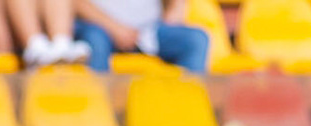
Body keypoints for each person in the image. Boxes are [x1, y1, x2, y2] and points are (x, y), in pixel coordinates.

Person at [73, 0, 209, 72]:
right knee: (95, 40)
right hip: (99, 27)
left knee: (196, 39)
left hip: (150, 31)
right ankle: (99, 110)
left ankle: (186, 109)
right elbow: (75, 2)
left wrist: (175, 10)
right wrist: (116, 29)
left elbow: (176, 6)